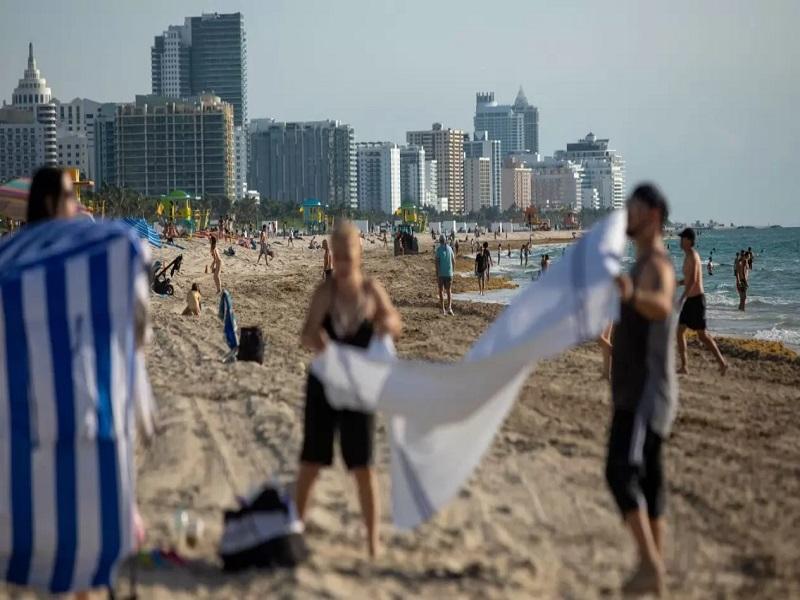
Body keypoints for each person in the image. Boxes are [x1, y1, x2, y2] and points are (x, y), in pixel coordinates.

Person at [297, 221, 402, 558]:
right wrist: (319, 340)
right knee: (311, 462)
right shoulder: (324, 292)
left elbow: (395, 322)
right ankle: (294, 529)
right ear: (332, 254)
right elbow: (305, 334)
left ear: (359, 254)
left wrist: (385, 325)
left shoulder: (371, 291)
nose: (342, 264)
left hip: (359, 389)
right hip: (325, 386)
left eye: (348, 256)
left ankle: (372, 542)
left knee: (363, 465)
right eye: (337, 256)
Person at [608, 183, 677, 596]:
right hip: (638, 391)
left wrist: (633, 293)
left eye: (632, 208)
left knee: (619, 472)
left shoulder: (658, 266)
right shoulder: (640, 265)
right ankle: (652, 574)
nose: (626, 216)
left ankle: (651, 566)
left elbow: (663, 304)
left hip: (645, 393)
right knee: (650, 481)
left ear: (651, 215)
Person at [676, 228, 727, 375]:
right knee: (679, 332)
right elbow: (687, 279)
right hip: (691, 300)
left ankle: (722, 363)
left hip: (696, 300)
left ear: (689, 241)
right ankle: (684, 366)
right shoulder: (687, 256)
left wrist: (681, 298)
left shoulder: (693, 256)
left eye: (683, 238)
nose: (680, 241)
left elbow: (693, 281)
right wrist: (678, 283)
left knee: (702, 335)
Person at [435, 234, 456, 315]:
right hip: (449, 273)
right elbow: (454, 261)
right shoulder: (450, 249)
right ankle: (449, 308)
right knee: (449, 291)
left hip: (441, 274)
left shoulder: (439, 249)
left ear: (440, 241)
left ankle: (443, 309)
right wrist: (452, 271)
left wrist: (437, 273)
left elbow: (437, 262)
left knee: (441, 291)